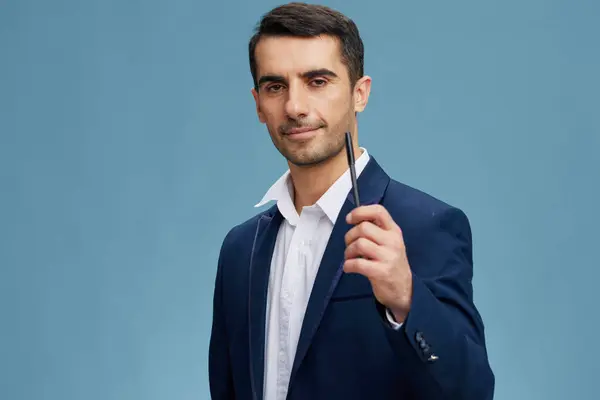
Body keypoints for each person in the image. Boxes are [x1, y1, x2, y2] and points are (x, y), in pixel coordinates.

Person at [208, 2, 494, 399]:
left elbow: (472, 391)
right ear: (258, 103)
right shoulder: (240, 250)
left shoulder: (424, 226)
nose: (295, 106)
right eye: (276, 86)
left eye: (318, 81)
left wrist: (407, 299)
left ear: (360, 94)